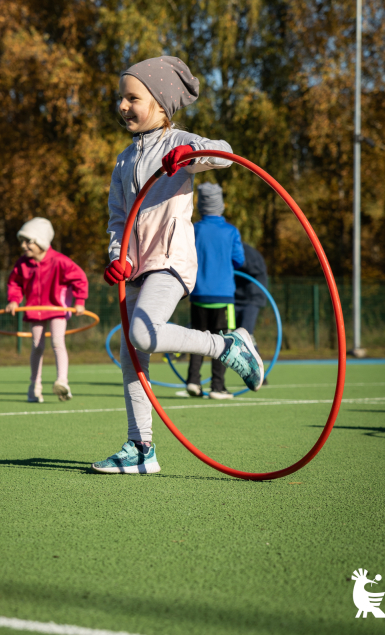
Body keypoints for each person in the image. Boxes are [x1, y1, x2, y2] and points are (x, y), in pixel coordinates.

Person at [92, 55, 264, 475]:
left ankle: (228, 345)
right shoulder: (123, 159)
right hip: (137, 266)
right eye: (121, 98)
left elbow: (225, 155)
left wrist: (191, 153)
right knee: (132, 353)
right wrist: (117, 257)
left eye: (132, 97)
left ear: (162, 103)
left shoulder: (176, 142)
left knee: (141, 333)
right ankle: (140, 447)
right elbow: (118, 218)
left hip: (168, 259)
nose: (123, 106)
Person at [6, 217, 88, 403]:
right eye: (22, 242)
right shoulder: (22, 264)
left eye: (28, 241)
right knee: (37, 346)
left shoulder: (60, 261)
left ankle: (62, 382)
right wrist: (14, 300)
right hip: (35, 310)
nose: (24, 246)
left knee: (58, 342)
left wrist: (80, 301)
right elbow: (15, 283)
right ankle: (34, 386)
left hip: (57, 309)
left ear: (41, 240)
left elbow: (80, 279)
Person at [186, 183, 245, 400]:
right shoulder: (230, 231)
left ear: (201, 205)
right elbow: (239, 260)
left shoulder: (194, 229)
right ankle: (217, 387)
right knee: (222, 341)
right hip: (223, 296)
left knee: (197, 340)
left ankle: (193, 381)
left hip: (198, 294)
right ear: (220, 204)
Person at [235, 243, 268, 380]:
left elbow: (256, 268)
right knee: (237, 333)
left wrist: (237, 263)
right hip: (236, 299)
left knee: (246, 333)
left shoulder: (248, 252)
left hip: (252, 298)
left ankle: (258, 373)